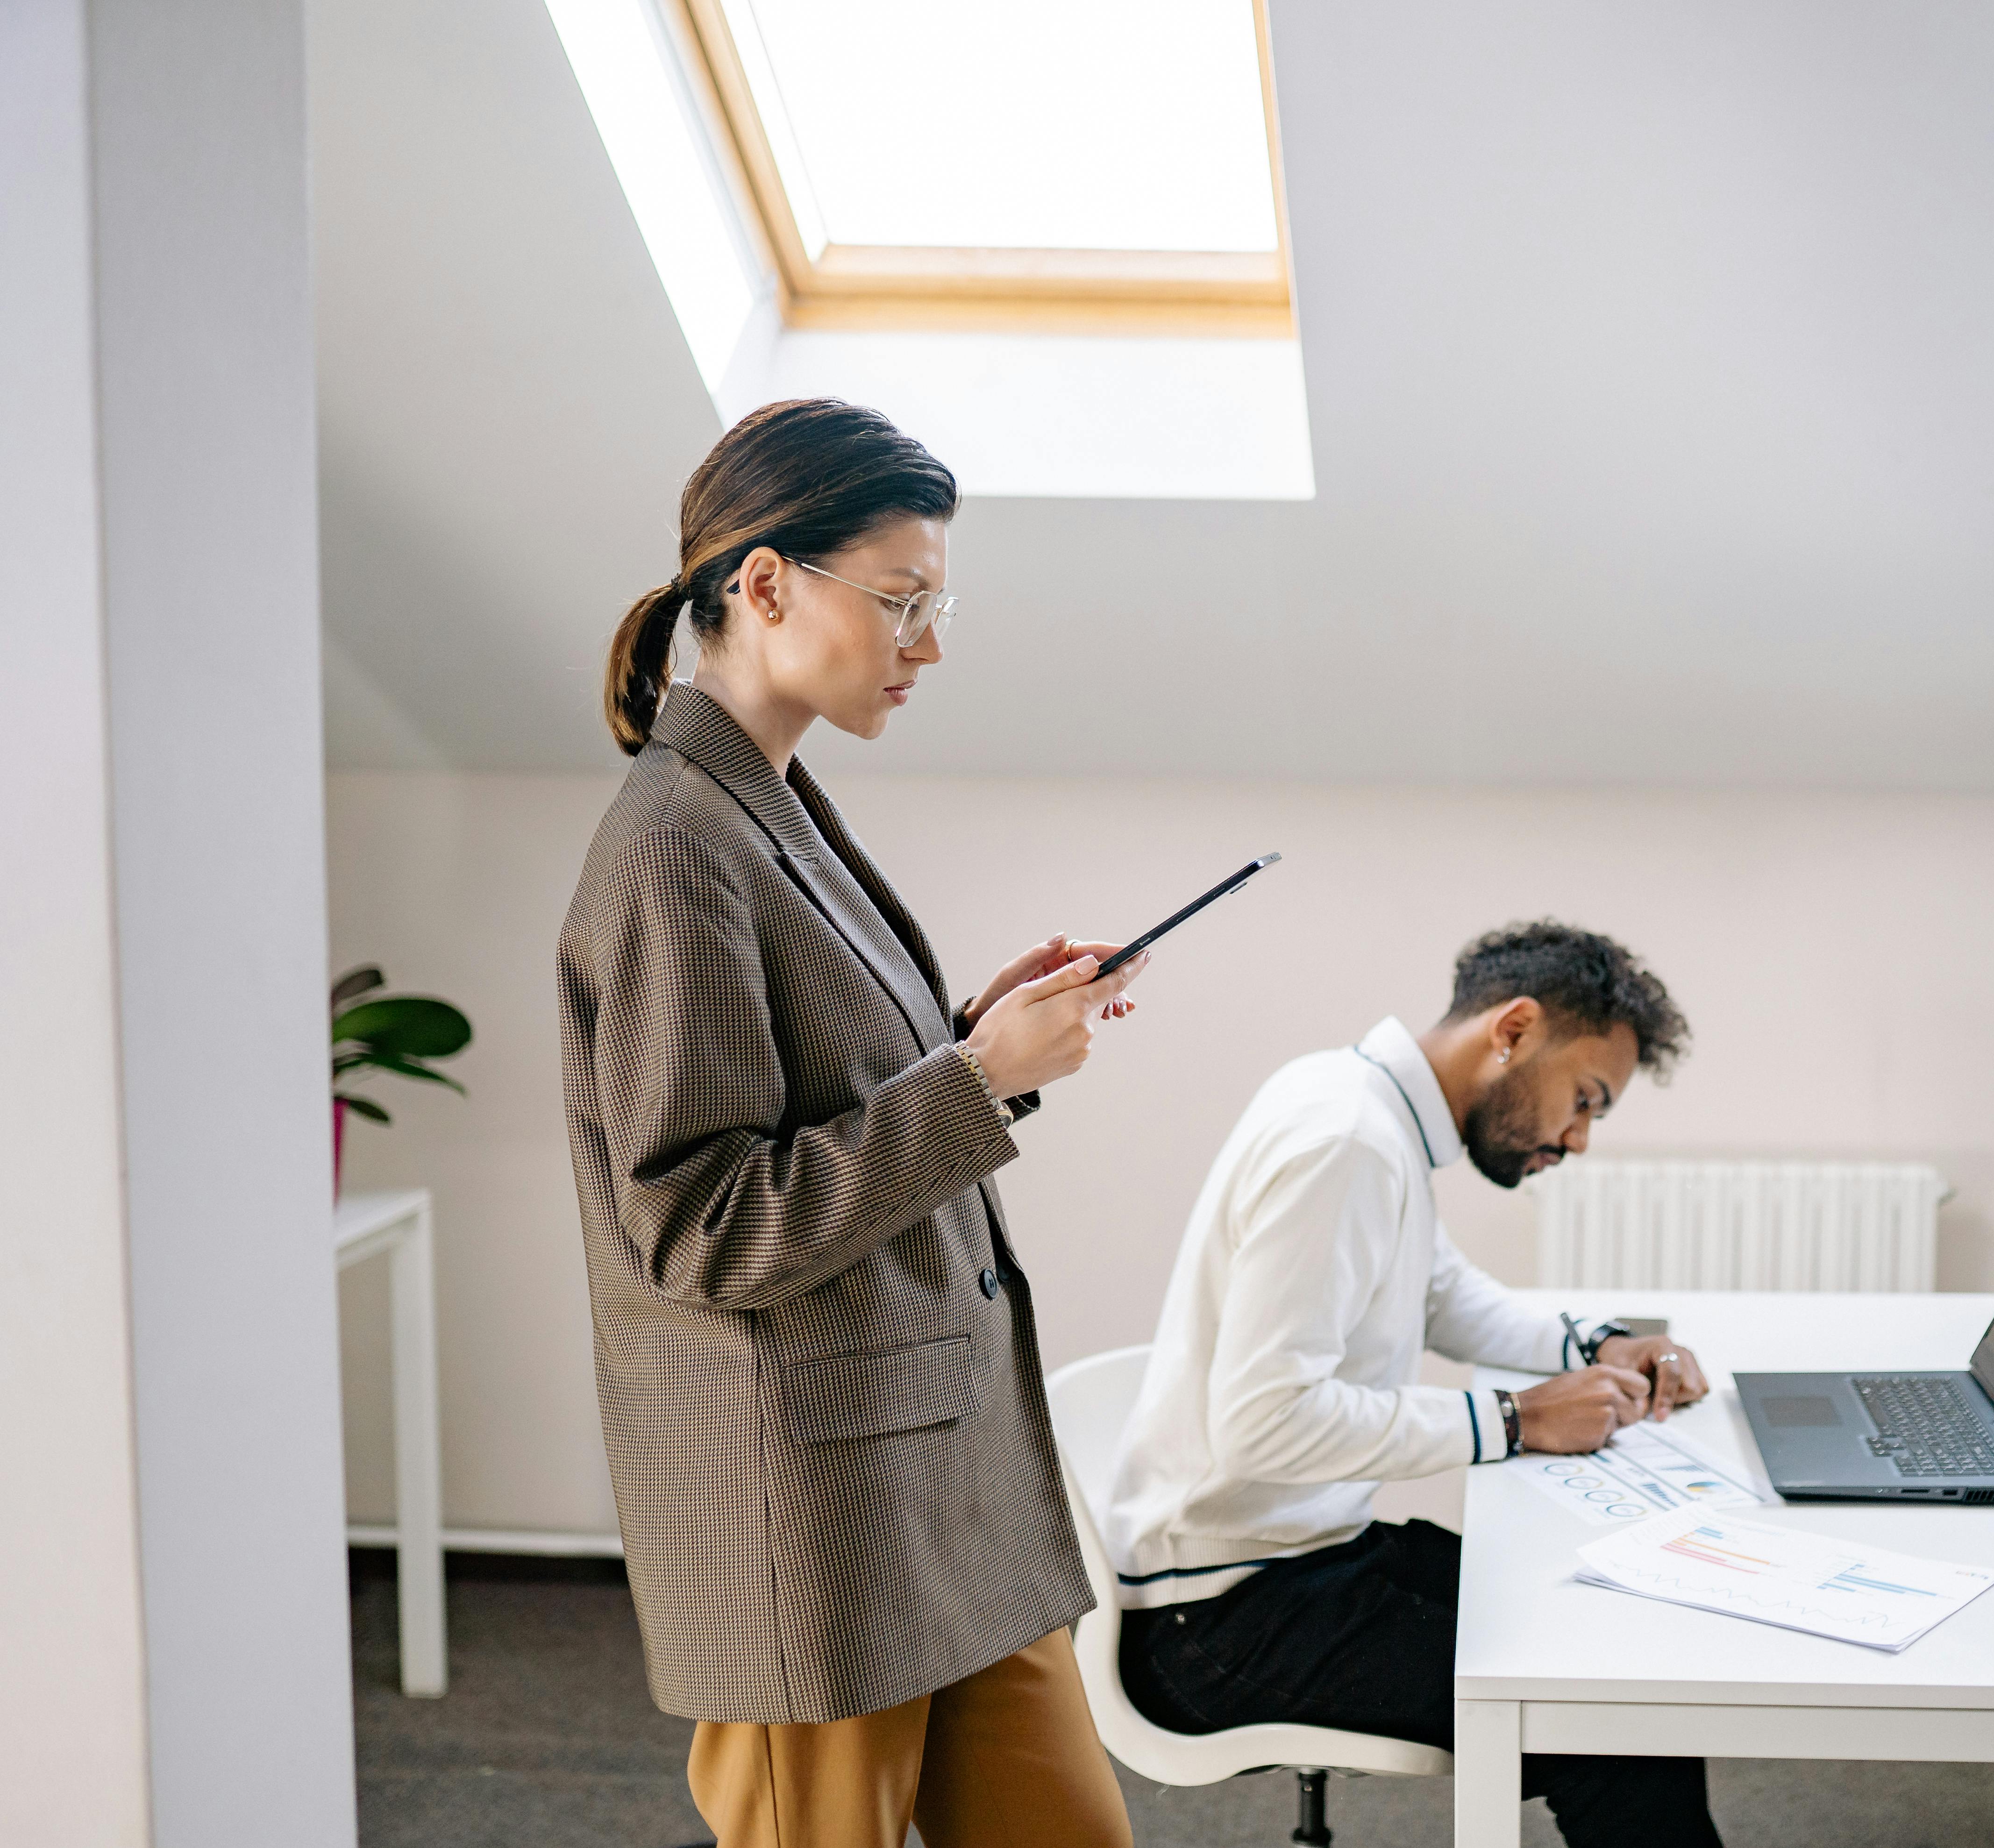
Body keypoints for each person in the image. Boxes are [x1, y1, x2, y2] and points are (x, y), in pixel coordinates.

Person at [557, 399, 1142, 1848]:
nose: (927, 642)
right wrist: (976, 1079)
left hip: (937, 1483)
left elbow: (818, 1096)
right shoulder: (673, 846)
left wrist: (970, 1041)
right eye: (901, 601)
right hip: (811, 1517)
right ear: (763, 585)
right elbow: (702, 1228)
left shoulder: (766, 804)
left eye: (935, 603)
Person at [1104, 921, 1724, 1848]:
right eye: (1585, 1099)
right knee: (1612, 1723)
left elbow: (1445, 1295)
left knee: (1618, 1659)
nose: (1581, 1139)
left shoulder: (1366, 1106)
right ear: (1513, 1031)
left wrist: (1596, 1342)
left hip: (1297, 1555)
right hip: (1223, 1615)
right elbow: (1264, 1423)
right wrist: (1514, 1419)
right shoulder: (1346, 1138)